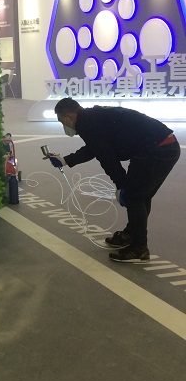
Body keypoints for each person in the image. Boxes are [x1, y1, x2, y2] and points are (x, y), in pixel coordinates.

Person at [47, 97, 180, 263]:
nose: (64, 126)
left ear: (69, 117)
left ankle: (139, 248)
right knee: (139, 196)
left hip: (157, 150)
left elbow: (107, 157)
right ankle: (130, 235)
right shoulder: (92, 117)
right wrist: (65, 160)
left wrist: (121, 185)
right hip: (162, 146)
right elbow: (95, 148)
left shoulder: (86, 123)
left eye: (62, 122)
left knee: (134, 197)